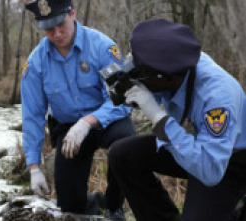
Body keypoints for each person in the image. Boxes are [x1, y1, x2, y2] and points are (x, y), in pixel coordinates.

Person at [107, 18, 246, 221]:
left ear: (167, 77)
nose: (137, 76)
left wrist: (157, 117)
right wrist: (129, 92)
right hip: (190, 143)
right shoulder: (177, 62)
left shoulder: (217, 98)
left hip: (225, 160)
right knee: (123, 154)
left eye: (141, 74)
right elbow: (161, 88)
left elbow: (210, 170)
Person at [20, 0, 136, 218]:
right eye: (48, 28)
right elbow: (32, 116)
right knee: (70, 207)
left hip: (108, 121)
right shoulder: (36, 63)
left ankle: (113, 206)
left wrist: (88, 122)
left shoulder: (103, 47)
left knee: (126, 146)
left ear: (72, 14)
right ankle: (93, 203)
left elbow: (120, 100)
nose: (56, 34)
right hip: (68, 129)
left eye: (60, 24)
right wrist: (34, 167)